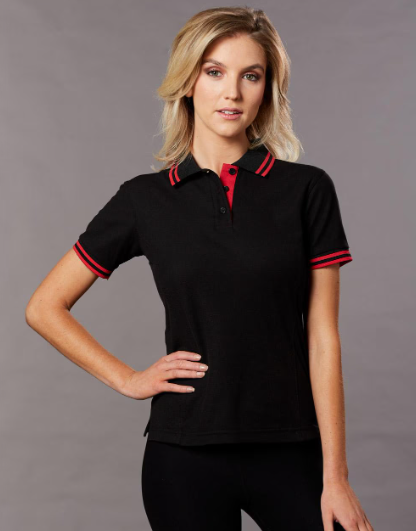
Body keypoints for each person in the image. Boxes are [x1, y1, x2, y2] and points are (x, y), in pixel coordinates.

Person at [25, 6, 374, 531]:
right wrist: (128, 379)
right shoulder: (145, 200)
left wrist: (336, 475)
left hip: (291, 446)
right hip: (183, 454)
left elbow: (323, 338)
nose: (232, 92)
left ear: (266, 89)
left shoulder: (306, 190)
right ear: (188, 81)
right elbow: (44, 307)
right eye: (214, 72)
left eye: (250, 75)